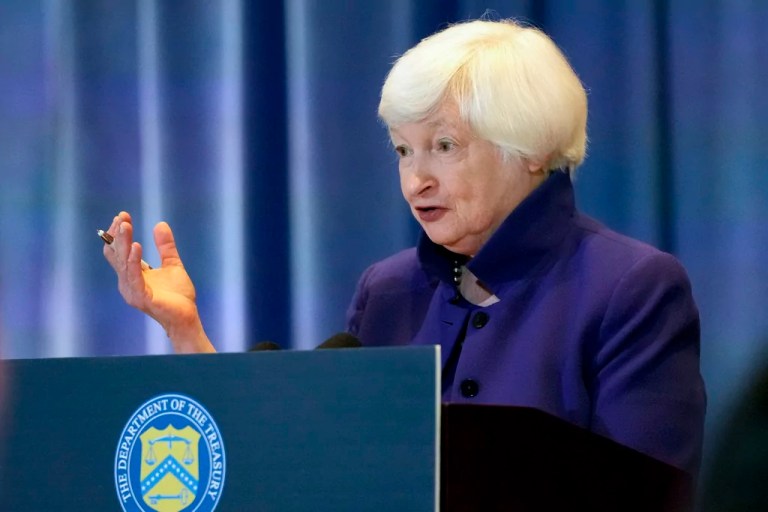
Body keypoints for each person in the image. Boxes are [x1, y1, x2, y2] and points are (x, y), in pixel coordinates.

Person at [103, 19, 706, 479]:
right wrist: (187, 333)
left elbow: (645, 492)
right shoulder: (388, 290)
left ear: (532, 148)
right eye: (402, 150)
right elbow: (305, 471)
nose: (416, 179)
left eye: (444, 146)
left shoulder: (633, 288)